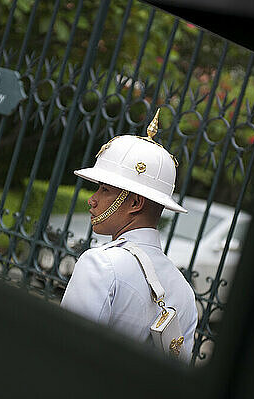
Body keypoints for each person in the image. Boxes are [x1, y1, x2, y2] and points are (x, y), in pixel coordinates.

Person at [61, 109, 198, 361]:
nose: (92, 200)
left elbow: (66, 354)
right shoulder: (185, 293)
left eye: (103, 189)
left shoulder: (100, 264)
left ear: (135, 203)